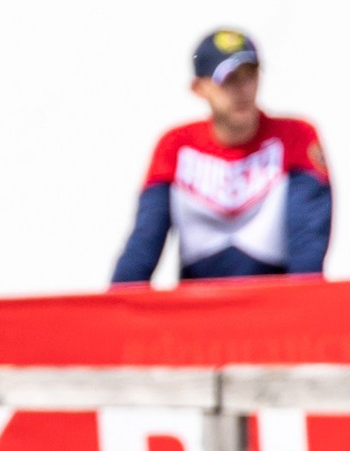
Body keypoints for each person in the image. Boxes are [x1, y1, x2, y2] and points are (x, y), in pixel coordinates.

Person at [111, 27, 333, 284]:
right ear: (199, 88)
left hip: (273, 309)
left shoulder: (296, 136)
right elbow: (143, 244)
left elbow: (308, 246)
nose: (243, 89)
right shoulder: (175, 146)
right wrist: (113, 314)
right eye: (228, 79)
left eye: (250, 75)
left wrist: (300, 316)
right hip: (199, 311)